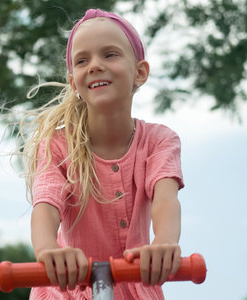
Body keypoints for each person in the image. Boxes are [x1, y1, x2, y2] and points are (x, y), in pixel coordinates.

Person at [20, 8, 184, 300]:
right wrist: (48, 251)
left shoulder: (160, 141)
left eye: (110, 54)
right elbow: (45, 205)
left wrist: (164, 243)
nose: (95, 65)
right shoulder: (58, 145)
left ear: (140, 72)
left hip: (135, 291)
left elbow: (165, 199)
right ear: (74, 83)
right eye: (82, 60)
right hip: (66, 292)